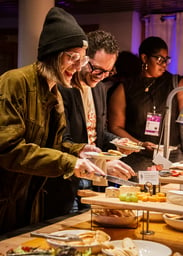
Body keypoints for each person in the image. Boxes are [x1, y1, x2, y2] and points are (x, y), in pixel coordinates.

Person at [0, 7, 105, 234]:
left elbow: (53, 146)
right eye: (72, 57)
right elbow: (9, 149)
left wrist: (79, 151)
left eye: (82, 59)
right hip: (5, 200)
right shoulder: (15, 82)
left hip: (29, 199)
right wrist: (69, 163)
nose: (78, 67)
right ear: (53, 53)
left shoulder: (54, 91)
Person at [55, 30, 136, 211]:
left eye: (107, 72)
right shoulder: (62, 88)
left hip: (93, 181)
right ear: (83, 59)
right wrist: (103, 164)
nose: (100, 76)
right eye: (96, 69)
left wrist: (116, 141)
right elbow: (61, 140)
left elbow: (95, 133)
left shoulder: (99, 89)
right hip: (67, 181)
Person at [107, 36, 183, 177]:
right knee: (143, 191)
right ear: (144, 58)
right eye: (160, 59)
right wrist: (140, 144)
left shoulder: (176, 84)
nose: (164, 64)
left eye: (166, 59)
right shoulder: (125, 88)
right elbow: (115, 127)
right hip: (138, 157)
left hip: (172, 156)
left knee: (170, 191)